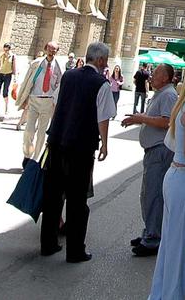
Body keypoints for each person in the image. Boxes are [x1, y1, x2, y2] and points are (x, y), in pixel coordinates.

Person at [39, 41, 117, 263]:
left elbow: (56, 103)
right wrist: (104, 144)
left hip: (56, 142)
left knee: (53, 197)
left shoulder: (68, 76)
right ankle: (75, 250)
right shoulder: (101, 83)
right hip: (80, 148)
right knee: (77, 200)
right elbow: (103, 117)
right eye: (106, 60)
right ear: (100, 60)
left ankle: (48, 243)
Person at [146, 63, 185, 300]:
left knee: (171, 243)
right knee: (180, 246)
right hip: (184, 177)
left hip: (177, 175)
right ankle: (172, 294)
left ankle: (162, 293)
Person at [122, 62, 176, 257]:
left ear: (166, 77)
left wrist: (141, 119)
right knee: (149, 194)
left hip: (160, 151)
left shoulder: (169, 95)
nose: (152, 75)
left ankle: (153, 238)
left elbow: (166, 122)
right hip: (154, 150)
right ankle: (150, 231)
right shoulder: (162, 93)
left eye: (157, 73)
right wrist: (140, 117)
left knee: (153, 195)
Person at [16, 41, 63, 160]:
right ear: (45, 49)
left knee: (42, 133)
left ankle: (35, 159)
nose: (51, 52)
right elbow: (28, 81)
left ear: (57, 52)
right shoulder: (37, 64)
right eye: (49, 49)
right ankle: (27, 154)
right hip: (34, 99)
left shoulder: (58, 66)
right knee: (29, 131)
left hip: (48, 102)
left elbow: (60, 84)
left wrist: (55, 101)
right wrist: (24, 97)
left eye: (54, 50)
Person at [0, 43, 16, 119]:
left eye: (7, 50)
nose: (5, 51)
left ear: (9, 49)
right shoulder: (1, 56)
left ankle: (6, 109)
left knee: (5, 92)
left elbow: (14, 67)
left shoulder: (12, 56)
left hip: (8, 75)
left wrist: (15, 77)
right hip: (1, 74)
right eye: (4, 49)